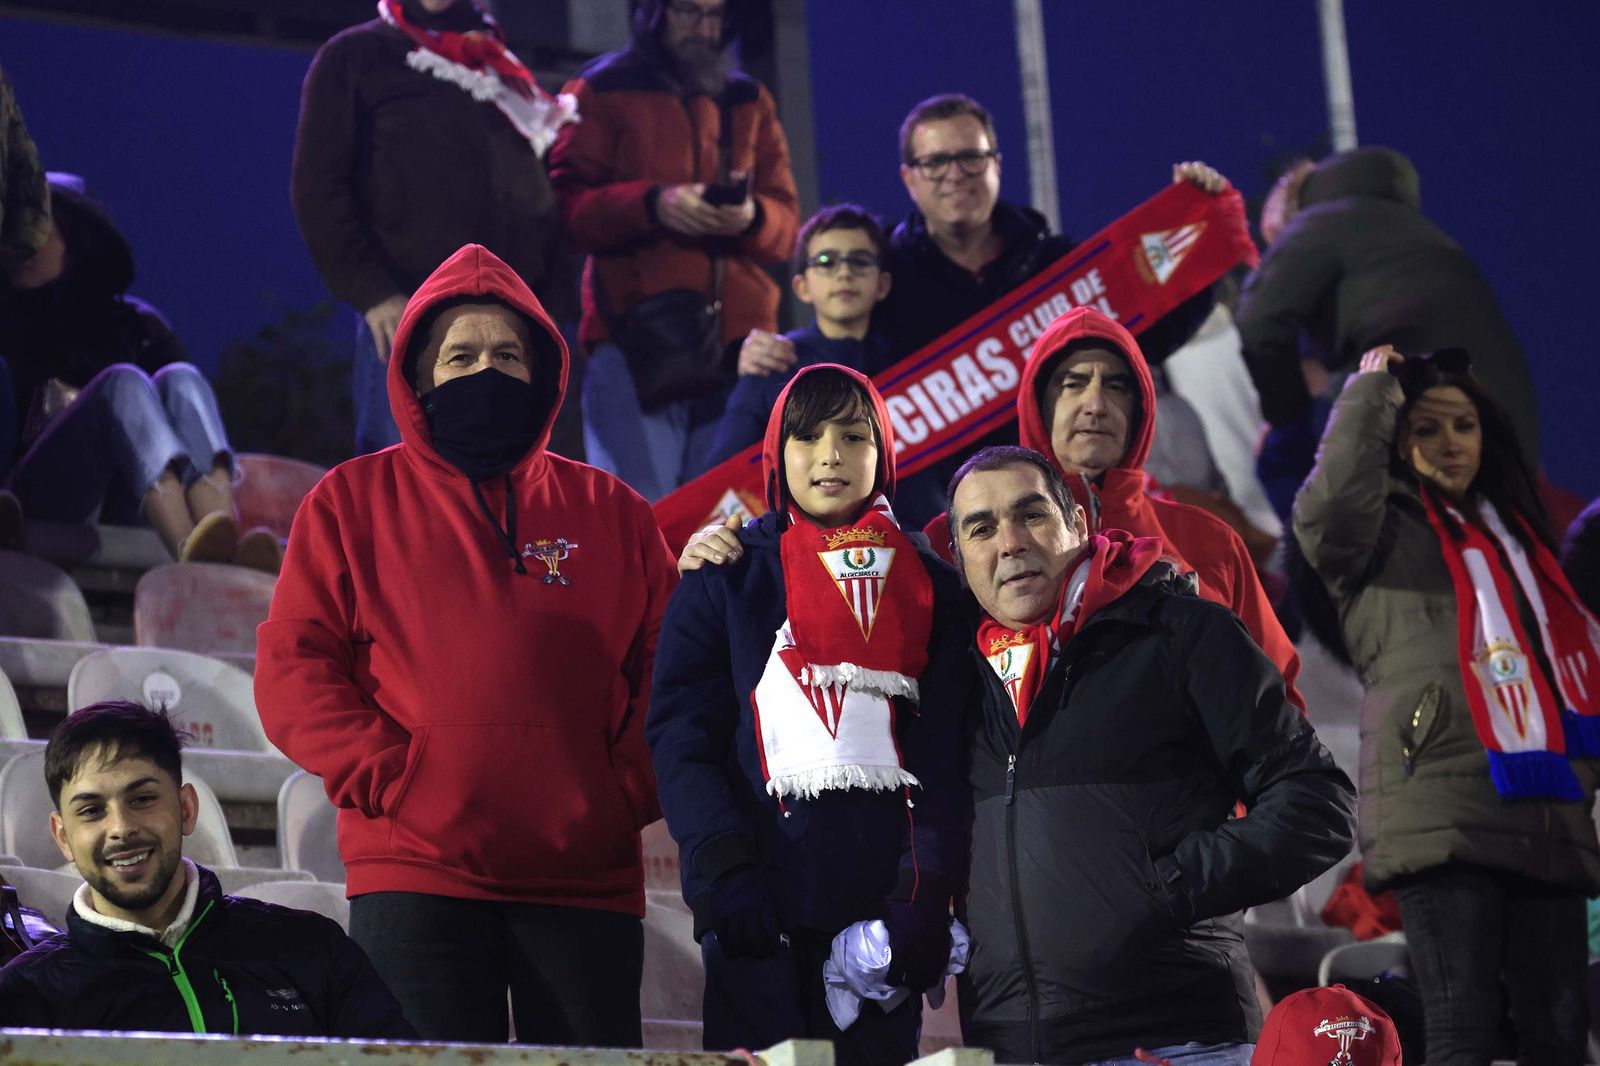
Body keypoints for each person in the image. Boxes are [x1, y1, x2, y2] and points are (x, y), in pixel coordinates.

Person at [254, 243, 675, 1046]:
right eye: (462, 356)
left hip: (584, 880)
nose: (487, 371)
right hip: (417, 873)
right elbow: (295, 669)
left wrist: (620, 791)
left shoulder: (615, 511)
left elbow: (673, 678)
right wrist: (400, 780)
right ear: (419, 379)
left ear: (544, 372)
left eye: (509, 354)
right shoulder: (349, 501)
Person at [948, 445, 1354, 1063]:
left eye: (1031, 515)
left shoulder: (1183, 633)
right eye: (981, 528)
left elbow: (1317, 803)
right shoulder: (956, 683)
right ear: (959, 560)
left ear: (1079, 525)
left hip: (1178, 1039)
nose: (1009, 543)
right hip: (1009, 1048)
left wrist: (1169, 885)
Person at [647, 364, 968, 1064]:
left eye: (853, 436)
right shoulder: (727, 577)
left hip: (878, 929)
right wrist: (725, 871)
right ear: (775, 454)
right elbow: (682, 742)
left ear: (882, 454)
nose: (829, 455)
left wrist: (918, 897)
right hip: (754, 914)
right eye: (807, 437)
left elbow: (941, 760)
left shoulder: (933, 589)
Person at [1293, 345, 1600, 1065]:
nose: (1451, 442)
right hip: (1438, 807)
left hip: (1543, 814)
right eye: (1428, 428)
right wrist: (1372, 392)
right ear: (1396, 438)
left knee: (1559, 1038)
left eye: (1464, 425)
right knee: (1461, 1028)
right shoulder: (1375, 535)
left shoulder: (1521, 540)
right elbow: (1328, 506)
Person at [916, 307, 1306, 711]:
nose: (1096, 404)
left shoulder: (1208, 539)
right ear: (1039, 404)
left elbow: (1276, 692)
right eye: (1073, 384)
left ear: (1141, 409)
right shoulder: (956, 539)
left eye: (1116, 386)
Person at [0, 700, 414, 1036]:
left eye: (142, 799)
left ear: (185, 809)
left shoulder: (313, 946)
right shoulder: (25, 997)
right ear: (63, 837)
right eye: (91, 811)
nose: (121, 828)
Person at [291, 0, 574, 456]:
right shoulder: (357, 55)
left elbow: (548, 196)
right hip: (408, 312)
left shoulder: (501, 67)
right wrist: (373, 293)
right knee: (405, 480)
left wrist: (552, 303)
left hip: (515, 320)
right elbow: (319, 187)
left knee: (511, 483)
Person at [547, 0, 801, 501]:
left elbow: (788, 227)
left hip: (740, 352)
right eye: (689, 12)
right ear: (651, 14)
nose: (705, 30)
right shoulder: (599, 89)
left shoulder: (749, 98)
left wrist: (751, 217)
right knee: (642, 522)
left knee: (732, 526)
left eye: (717, 17)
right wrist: (652, 205)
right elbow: (563, 210)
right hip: (636, 346)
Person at [1238, 146, 1541, 522]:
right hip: (1510, 438)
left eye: (1276, 240)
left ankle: (1327, 573)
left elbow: (1259, 321)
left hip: (1416, 407)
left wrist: (1288, 408)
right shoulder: (1418, 234)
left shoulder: (1320, 219)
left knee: (1282, 455)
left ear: (1290, 207)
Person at [0, 173, 277, 570]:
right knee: (122, 382)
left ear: (75, 238)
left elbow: (186, 418)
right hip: (40, 499)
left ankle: (219, 534)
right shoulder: (7, 321)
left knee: (181, 377)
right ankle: (187, 546)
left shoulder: (136, 326)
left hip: (129, 501)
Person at [705, 205, 895, 466]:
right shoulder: (775, 364)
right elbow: (723, 473)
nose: (844, 273)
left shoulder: (908, 358)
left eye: (859, 261)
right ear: (802, 287)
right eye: (826, 262)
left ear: (882, 285)